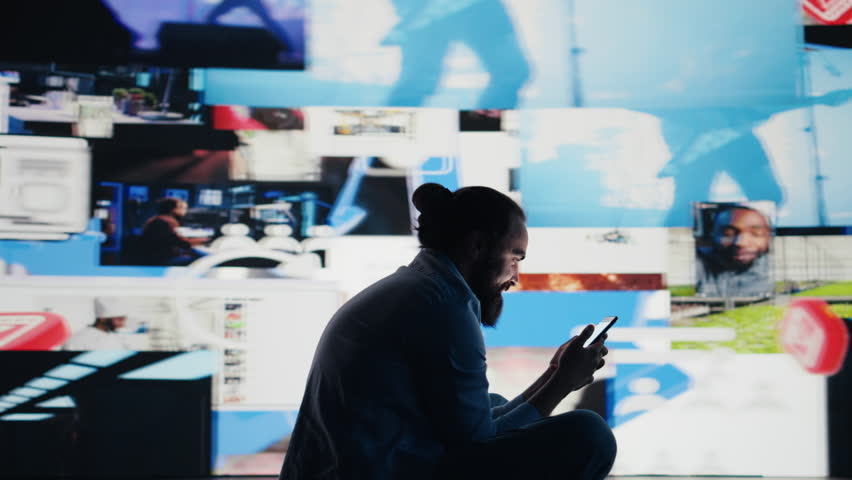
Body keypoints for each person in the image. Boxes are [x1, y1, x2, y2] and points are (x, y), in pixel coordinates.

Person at [279, 183, 616, 480]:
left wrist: (553, 374)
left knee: (493, 403)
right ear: (477, 246)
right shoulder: (443, 308)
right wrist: (561, 384)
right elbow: (477, 443)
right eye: (515, 257)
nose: (516, 276)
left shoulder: (421, 289)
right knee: (589, 435)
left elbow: (475, 429)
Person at [695, 204, 772, 298]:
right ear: (712, 235)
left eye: (756, 234)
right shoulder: (697, 263)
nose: (741, 243)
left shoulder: (775, 271)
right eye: (728, 234)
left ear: (769, 237)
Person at [139, 197, 208, 266]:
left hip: (157, 257)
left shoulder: (158, 219)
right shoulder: (164, 221)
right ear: (173, 209)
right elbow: (181, 243)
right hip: (161, 260)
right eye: (180, 207)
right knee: (202, 261)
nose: (184, 210)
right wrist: (205, 240)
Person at [64, 298, 134, 350]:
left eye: (124, 319)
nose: (123, 324)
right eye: (120, 319)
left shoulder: (116, 338)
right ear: (102, 318)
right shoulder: (77, 340)